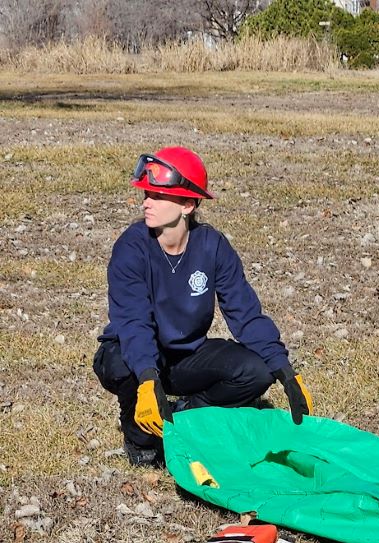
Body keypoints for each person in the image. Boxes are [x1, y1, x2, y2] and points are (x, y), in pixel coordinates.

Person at [94, 146, 313, 467]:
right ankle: (140, 436)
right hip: (131, 350)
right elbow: (132, 321)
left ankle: (185, 415)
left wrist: (285, 371)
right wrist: (147, 378)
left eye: (158, 196)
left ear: (188, 203)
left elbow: (245, 313)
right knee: (122, 366)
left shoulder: (212, 246)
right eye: (146, 194)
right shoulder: (132, 247)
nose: (146, 202)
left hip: (185, 355)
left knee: (255, 371)